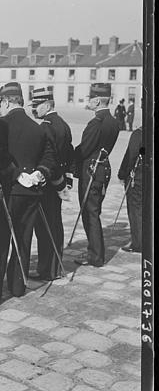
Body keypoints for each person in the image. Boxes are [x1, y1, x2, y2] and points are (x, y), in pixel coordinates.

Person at [0, 82, 56, 301]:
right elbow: (49, 157)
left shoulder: (1, 123)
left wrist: (17, 175)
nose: (0, 108)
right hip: (31, 193)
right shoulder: (37, 126)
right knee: (23, 238)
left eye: (1, 103)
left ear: (7, 101)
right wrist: (39, 174)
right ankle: (17, 287)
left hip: (7, 192)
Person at [29, 87, 75, 281]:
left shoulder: (45, 126)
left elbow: (50, 159)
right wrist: (66, 182)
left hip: (48, 184)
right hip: (60, 181)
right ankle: (55, 266)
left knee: (44, 227)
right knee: (55, 225)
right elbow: (69, 153)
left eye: (37, 105)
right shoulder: (63, 124)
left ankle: (46, 269)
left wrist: (54, 182)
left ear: (47, 104)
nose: (34, 109)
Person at [74, 83, 119, 267]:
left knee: (90, 212)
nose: (88, 102)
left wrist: (69, 157)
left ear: (98, 100)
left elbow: (84, 149)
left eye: (90, 99)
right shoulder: (113, 121)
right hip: (103, 168)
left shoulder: (96, 122)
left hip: (91, 171)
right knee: (94, 211)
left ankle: (95, 255)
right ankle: (95, 251)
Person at [117, 126, 143, 253]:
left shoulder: (140, 133)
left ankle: (138, 243)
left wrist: (123, 173)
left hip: (138, 178)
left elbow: (131, 155)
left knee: (135, 210)